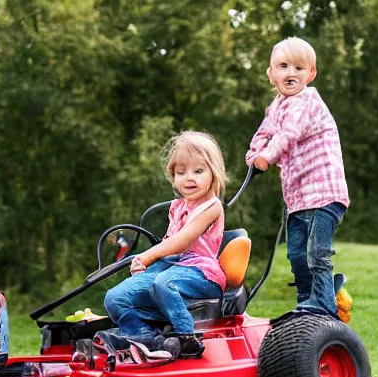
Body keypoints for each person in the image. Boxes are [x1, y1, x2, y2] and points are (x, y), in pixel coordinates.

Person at [244, 36, 350, 320]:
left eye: (299, 68)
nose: (291, 73)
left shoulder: (307, 101)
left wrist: (268, 157)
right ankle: (308, 302)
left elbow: (288, 135)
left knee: (317, 254)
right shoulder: (276, 107)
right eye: (283, 66)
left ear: (311, 74)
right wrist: (254, 155)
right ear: (271, 74)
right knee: (296, 256)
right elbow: (263, 135)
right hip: (298, 199)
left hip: (324, 194)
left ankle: (324, 306)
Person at [103, 131, 228, 359]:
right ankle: (149, 338)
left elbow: (182, 240)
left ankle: (186, 338)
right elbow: (168, 243)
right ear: (173, 176)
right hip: (171, 266)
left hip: (200, 272)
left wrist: (149, 256)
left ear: (214, 173)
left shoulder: (211, 206)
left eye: (198, 171)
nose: (189, 178)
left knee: (163, 283)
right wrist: (143, 263)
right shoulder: (176, 207)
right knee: (115, 297)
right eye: (181, 172)